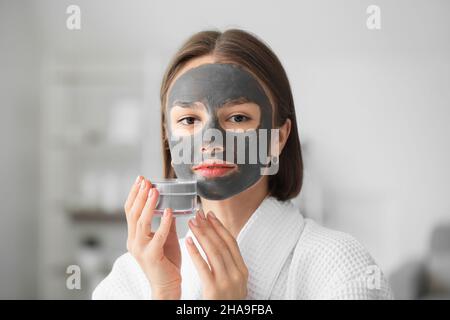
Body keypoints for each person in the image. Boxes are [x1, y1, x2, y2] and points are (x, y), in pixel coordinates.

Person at [92, 29, 393, 300]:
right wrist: (164, 294)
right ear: (167, 137)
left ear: (279, 137)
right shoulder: (131, 279)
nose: (210, 139)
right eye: (188, 120)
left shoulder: (342, 268)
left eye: (238, 118)